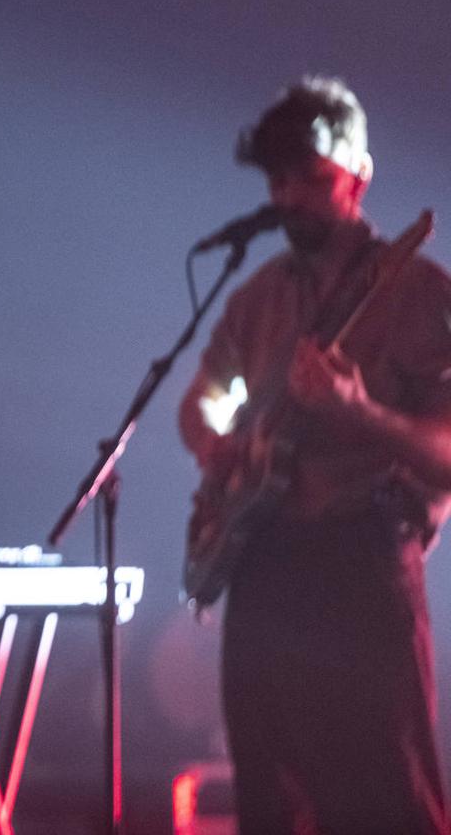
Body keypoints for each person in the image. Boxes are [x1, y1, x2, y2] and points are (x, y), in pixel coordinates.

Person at [179, 76, 451, 834]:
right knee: (273, 805)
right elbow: (197, 401)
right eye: (277, 178)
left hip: (363, 571)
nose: (289, 195)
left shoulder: (420, 293)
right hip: (264, 565)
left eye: (311, 177)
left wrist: (361, 413)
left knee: (389, 803)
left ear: (360, 175)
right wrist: (220, 444)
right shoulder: (255, 295)